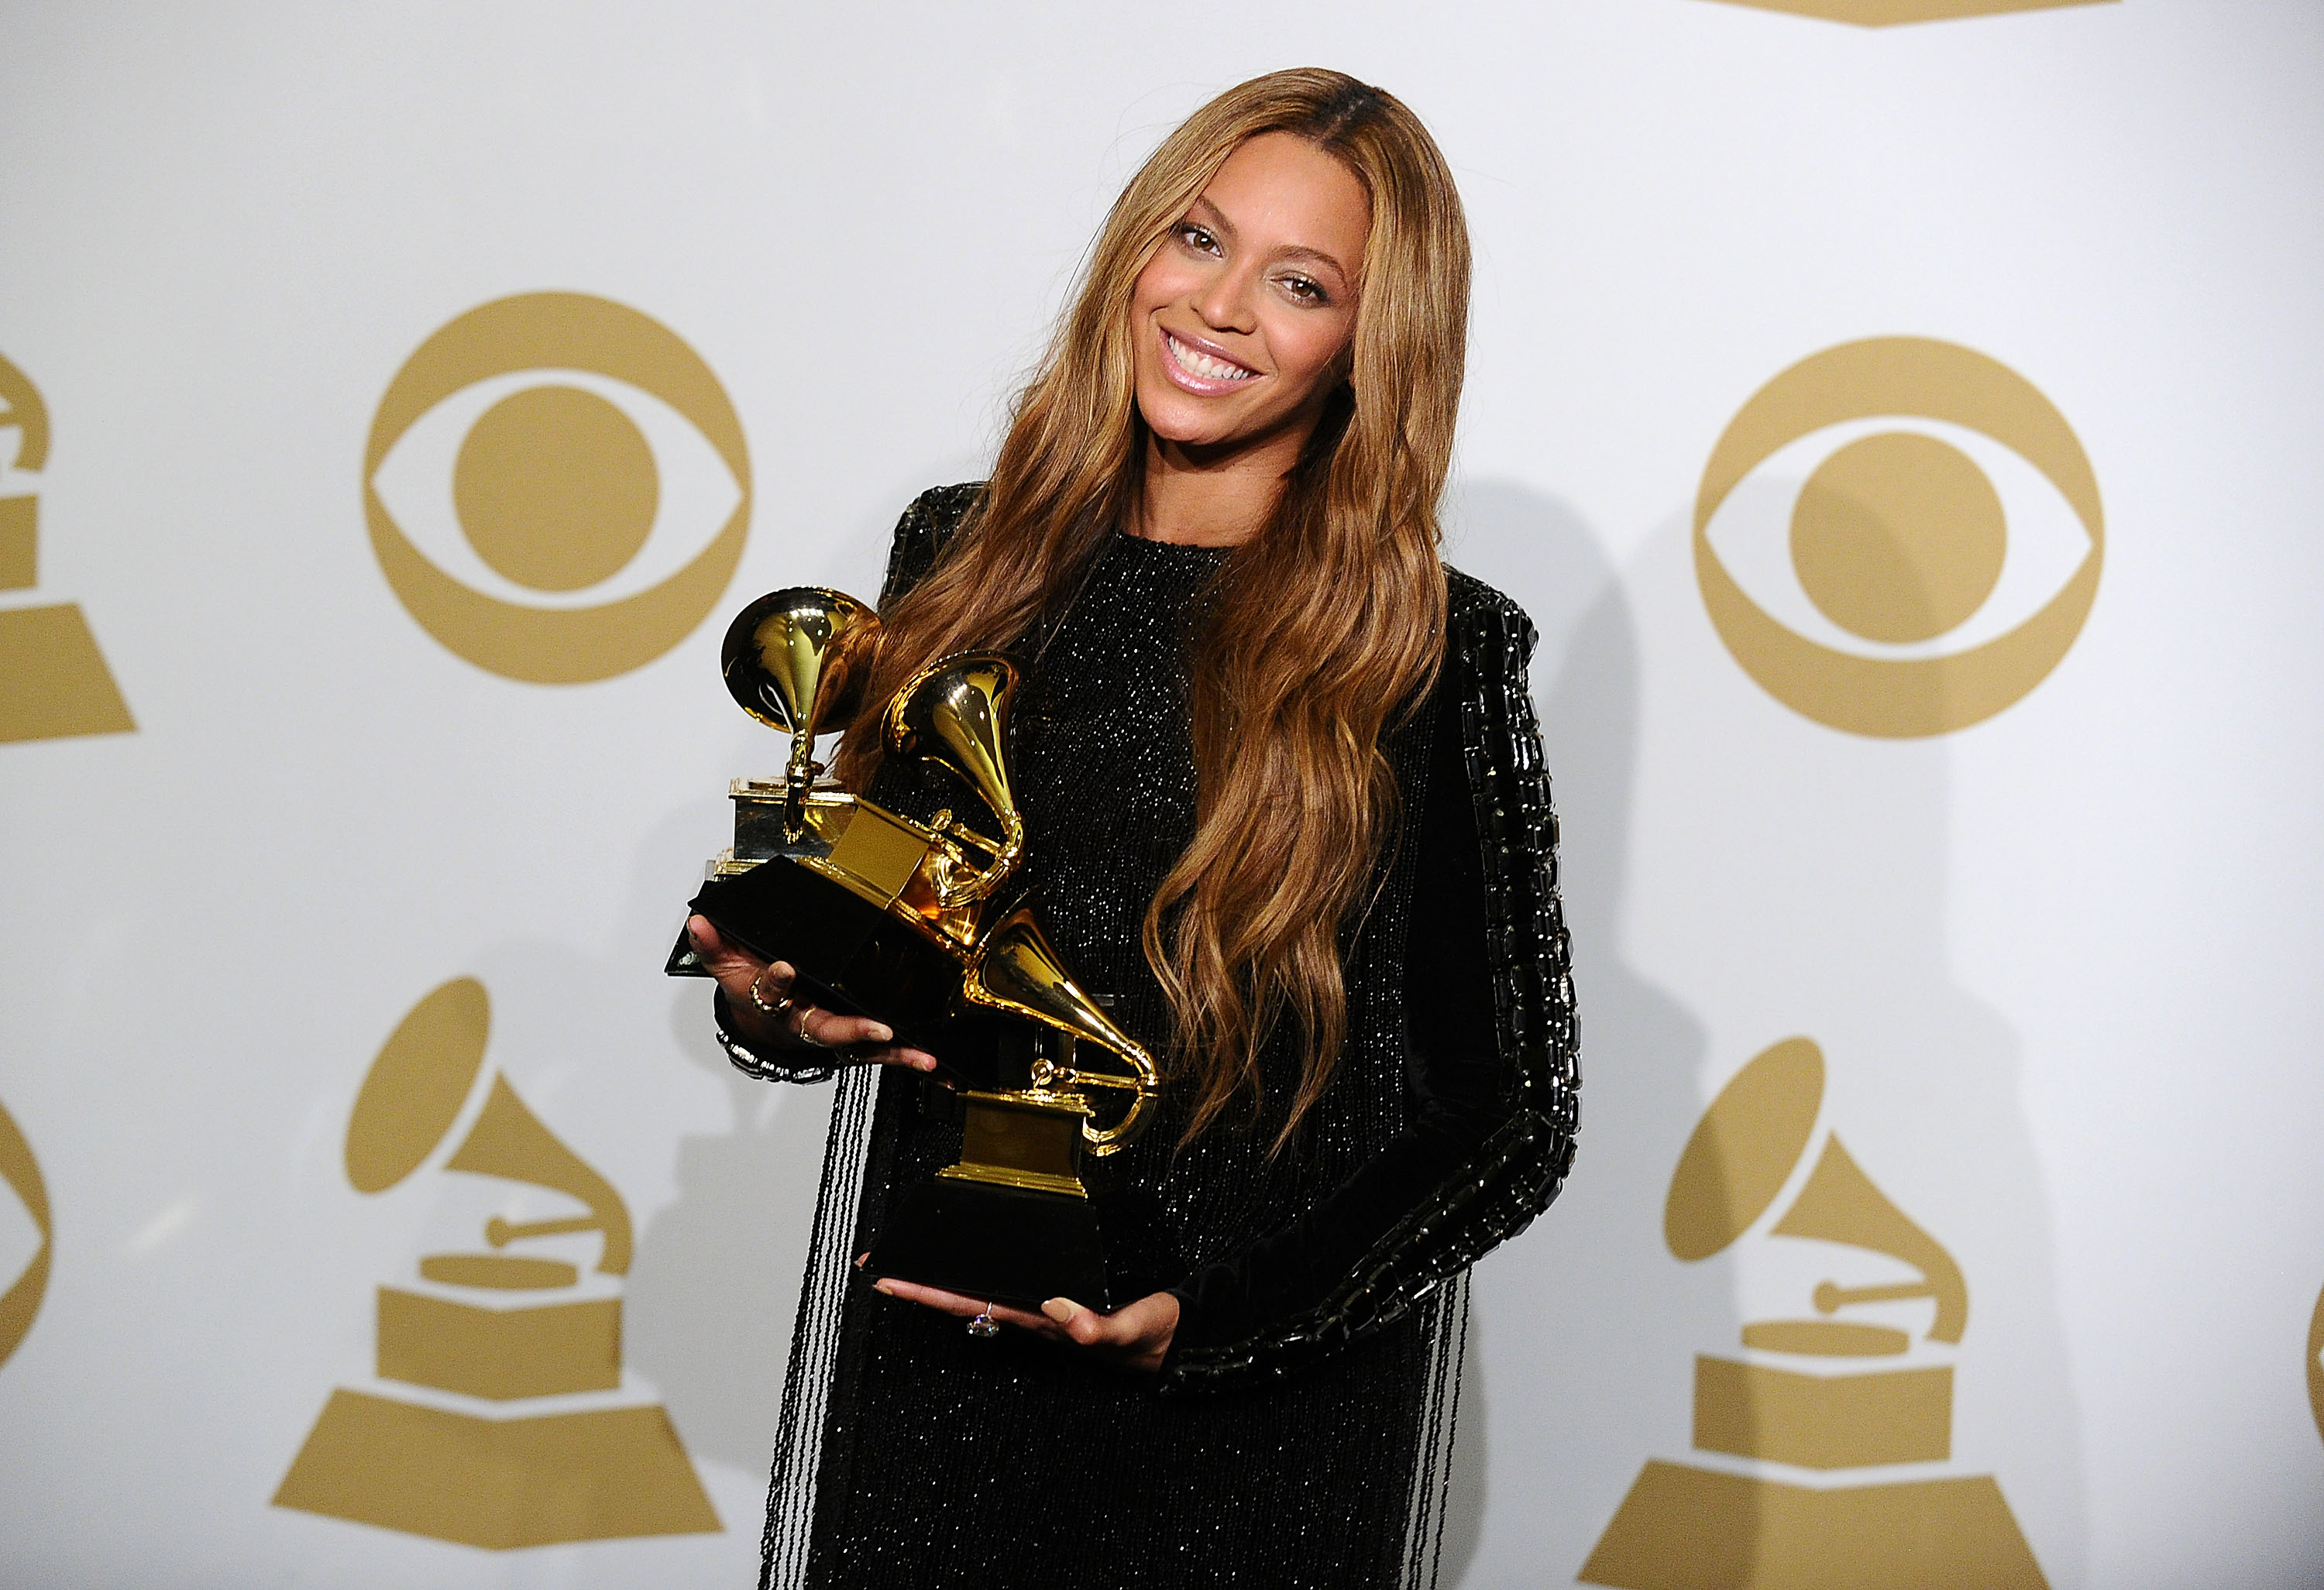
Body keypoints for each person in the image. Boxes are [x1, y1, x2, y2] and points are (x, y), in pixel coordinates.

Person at [684, 67, 1578, 1590]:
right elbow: (881, 947)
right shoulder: (961, 558)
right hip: (940, 1377)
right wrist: (773, 1000)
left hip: (1244, 1442)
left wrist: (1222, 1315)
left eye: (1300, 282)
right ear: (1134, 255)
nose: (1223, 307)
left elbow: (1505, 1121)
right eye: (1197, 238)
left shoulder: (1431, 650)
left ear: (1371, 341)